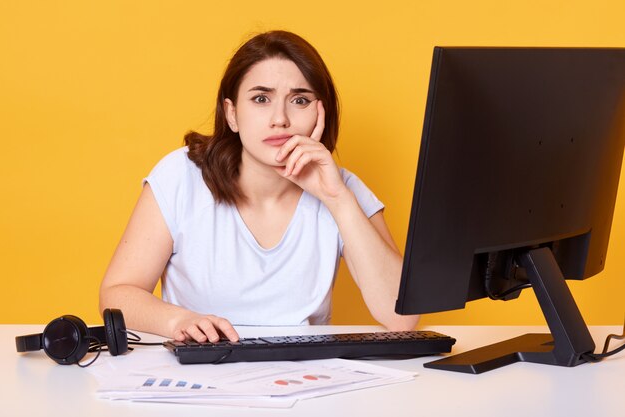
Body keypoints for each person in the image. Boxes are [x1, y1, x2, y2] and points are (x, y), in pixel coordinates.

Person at [99, 30, 419, 344]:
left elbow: (402, 317)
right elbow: (117, 295)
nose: (280, 118)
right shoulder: (181, 176)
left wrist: (336, 198)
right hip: (203, 375)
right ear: (232, 114)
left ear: (321, 113)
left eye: (299, 100)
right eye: (261, 98)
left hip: (305, 378)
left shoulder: (342, 188)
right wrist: (178, 320)